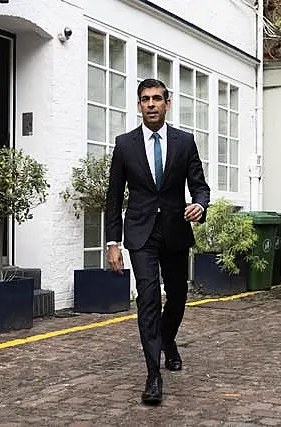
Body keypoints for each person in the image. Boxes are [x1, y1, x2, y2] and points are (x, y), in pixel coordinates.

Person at [105, 78, 210, 404]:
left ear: (167, 103)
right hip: (140, 233)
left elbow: (200, 186)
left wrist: (200, 205)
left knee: (177, 295)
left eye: (156, 99)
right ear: (139, 105)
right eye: (145, 99)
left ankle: (168, 340)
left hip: (175, 230)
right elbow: (113, 198)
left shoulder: (184, 142)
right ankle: (153, 375)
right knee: (148, 297)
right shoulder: (125, 145)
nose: (151, 104)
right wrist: (112, 243)